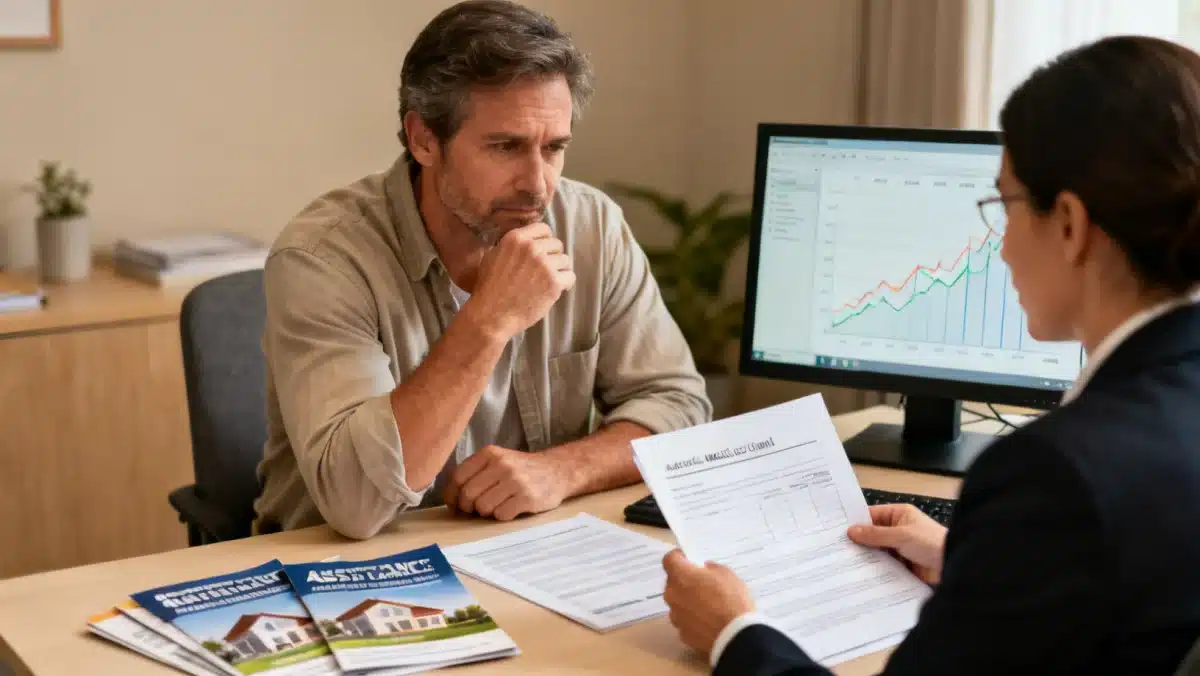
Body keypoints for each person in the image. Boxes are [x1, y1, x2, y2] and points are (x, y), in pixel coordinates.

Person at [661, 34, 1200, 675]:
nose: (999, 247)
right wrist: (986, 562)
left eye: (1005, 204)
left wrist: (735, 633)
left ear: (1070, 224)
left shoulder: (1054, 472)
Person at [252, 0, 710, 540]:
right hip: (342, 565)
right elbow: (355, 504)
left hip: (523, 549)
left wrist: (562, 470)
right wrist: (488, 320)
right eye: (505, 147)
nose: (538, 185)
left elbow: (678, 405)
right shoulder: (323, 259)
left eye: (554, 147)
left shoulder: (591, 226)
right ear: (424, 138)